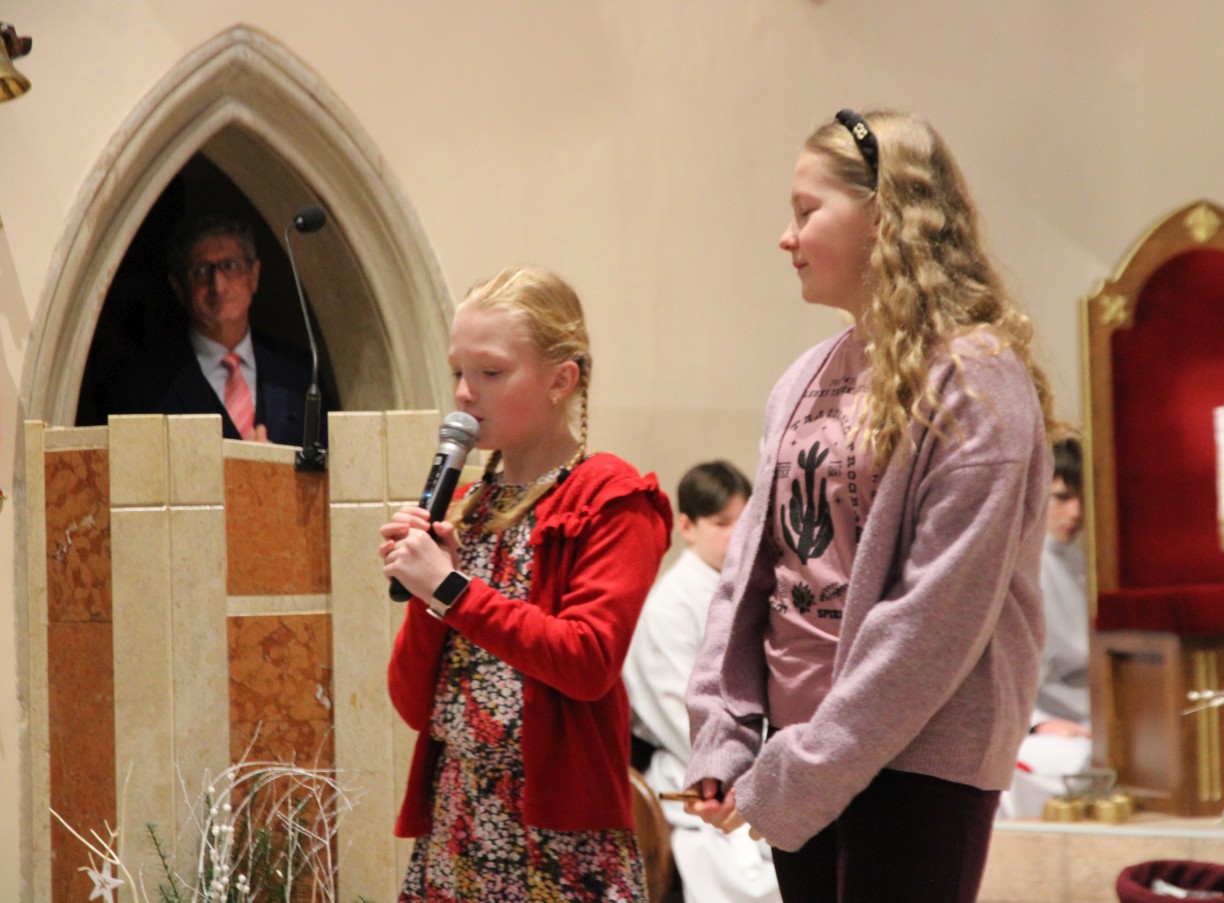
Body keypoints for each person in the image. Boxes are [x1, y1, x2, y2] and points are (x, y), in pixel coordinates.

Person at [682, 109, 1057, 903]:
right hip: (797, 745)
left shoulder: (973, 378)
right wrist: (724, 731)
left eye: (806, 210)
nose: (786, 237)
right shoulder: (802, 377)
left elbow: (935, 615)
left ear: (885, 215)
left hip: (915, 756)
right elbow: (749, 574)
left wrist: (807, 765)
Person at [380, 265, 673, 902]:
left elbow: (587, 660)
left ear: (560, 380)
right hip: (458, 822)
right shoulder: (466, 506)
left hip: (558, 840)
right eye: (458, 372)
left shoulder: (612, 498)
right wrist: (428, 596)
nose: (464, 394)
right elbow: (411, 703)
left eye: (490, 372)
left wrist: (451, 591)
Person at [623, 461, 782, 903]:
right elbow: (680, 716)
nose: (736, 535)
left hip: (760, 758)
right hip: (698, 771)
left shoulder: (755, 589)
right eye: (720, 523)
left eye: (743, 521)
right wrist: (739, 768)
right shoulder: (668, 606)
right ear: (687, 527)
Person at [157, 214, 319, 445]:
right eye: (201, 271)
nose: (218, 286)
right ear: (179, 287)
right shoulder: (149, 383)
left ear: (254, 275)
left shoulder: (300, 374)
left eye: (230, 266)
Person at [999, 437, 1092, 819]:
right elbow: (1001, 668)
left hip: (1089, 718)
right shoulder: (1015, 568)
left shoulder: (1086, 566)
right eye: (1062, 497)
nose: (1076, 511)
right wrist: (1038, 723)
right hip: (1036, 724)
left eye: (1083, 498)